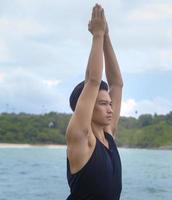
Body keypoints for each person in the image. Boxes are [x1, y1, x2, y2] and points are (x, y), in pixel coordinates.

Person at [66, 4, 123, 200]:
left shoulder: (108, 135)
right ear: (87, 107)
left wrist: (106, 36)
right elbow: (93, 80)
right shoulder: (81, 138)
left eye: (109, 103)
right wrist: (97, 35)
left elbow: (116, 83)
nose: (110, 108)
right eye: (102, 103)